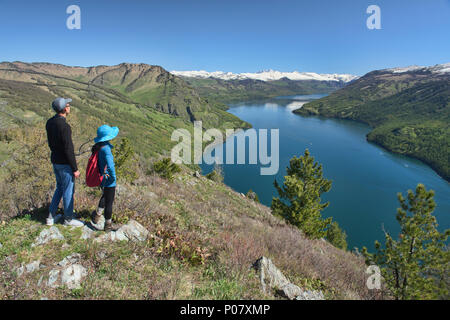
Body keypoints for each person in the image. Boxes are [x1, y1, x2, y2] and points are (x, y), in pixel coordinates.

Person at [45, 97, 84, 227]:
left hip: (55, 160)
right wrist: (75, 168)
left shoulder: (50, 122)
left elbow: (52, 144)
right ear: (64, 109)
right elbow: (68, 149)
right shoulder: (65, 127)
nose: (69, 107)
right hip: (65, 164)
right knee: (68, 190)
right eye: (68, 105)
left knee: (60, 187)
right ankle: (68, 218)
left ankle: (51, 216)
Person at [91, 125, 119, 232]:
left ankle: (97, 215)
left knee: (105, 195)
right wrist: (113, 177)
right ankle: (108, 225)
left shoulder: (99, 146)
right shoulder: (106, 149)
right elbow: (111, 166)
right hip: (109, 179)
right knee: (109, 202)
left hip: (102, 177)